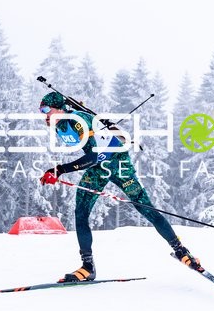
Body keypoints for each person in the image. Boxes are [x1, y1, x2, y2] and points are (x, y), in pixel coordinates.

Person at [37, 91, 201, 282]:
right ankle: (87, 266)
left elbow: (93, 155)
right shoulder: (61, 124)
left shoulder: (78, 120)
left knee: (145, 208)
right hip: (98, 167)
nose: (44, 114)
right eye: (42, 110)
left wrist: (59, 170)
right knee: (80, 213)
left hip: (117, 162)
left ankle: (182, 251)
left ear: (59, 108)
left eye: (46, 109)